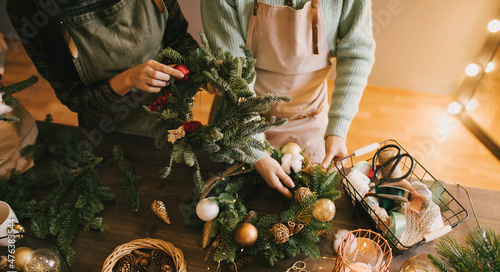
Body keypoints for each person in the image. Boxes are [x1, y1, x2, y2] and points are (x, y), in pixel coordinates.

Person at [201, 0, 375, 199]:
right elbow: (235, 71)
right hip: (241, 124)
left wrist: (338, 129)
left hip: (310, 120)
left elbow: (357, 53)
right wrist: (256, 152)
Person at [6, 0, 199, 137]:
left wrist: (203, 70)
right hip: (104, 131)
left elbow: (179, 38)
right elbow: (72, 96)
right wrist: (128, 79)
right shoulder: (27, 8)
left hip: (169, 118)